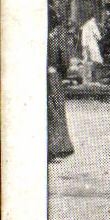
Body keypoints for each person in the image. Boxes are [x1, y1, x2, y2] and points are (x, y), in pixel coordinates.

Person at [48, 8, 74, 162]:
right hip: (53, 77)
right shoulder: (57, 37)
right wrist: (63, 73)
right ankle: (58, 148)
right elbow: (64, 59)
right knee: (56, 111)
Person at [80, 14, 103, 83]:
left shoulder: (85, 25)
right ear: (94, 18)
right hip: (92, 44)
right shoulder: (93, 24)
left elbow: (83, 38)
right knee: (96, 61)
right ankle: (95, 80)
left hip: (85, 45)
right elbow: (98, 36)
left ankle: (87, 80)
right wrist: (100, 37)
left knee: (87, 61)